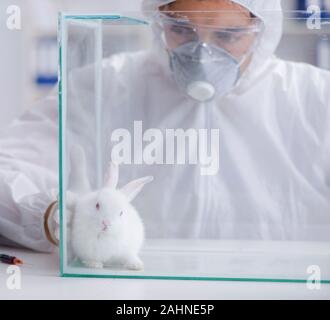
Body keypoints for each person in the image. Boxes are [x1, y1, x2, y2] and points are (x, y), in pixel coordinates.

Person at [0, 0, 329, 253]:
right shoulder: (106, 85)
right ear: (158, 21)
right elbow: (8, 168)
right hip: (132, 292)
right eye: (182, 30)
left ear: (263, 31)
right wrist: (51, 215)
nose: (202, 53)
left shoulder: (312, 98)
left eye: (228, 36)